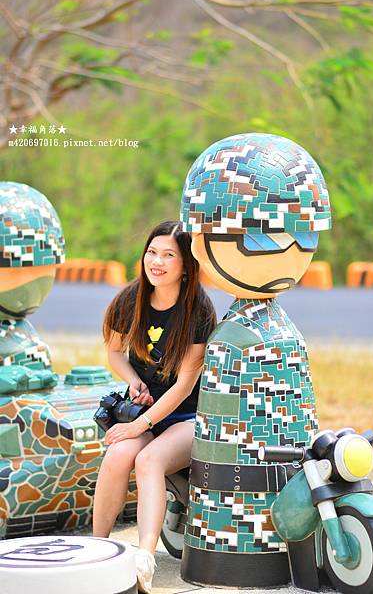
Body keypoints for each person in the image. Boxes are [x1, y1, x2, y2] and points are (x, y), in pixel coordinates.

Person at [92, 220, 216, 593]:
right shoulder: (131, 299)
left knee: (148, 460)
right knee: (116, 457)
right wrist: (132, 380)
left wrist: (137, 424)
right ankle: (98, 549)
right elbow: (115, 352)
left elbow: (183, 387)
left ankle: (144, 559)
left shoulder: (198, 311)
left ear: (186, 264)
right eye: (151, 252)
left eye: (168, 255)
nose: (156, 261)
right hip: (146, 413)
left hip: (188, 417)